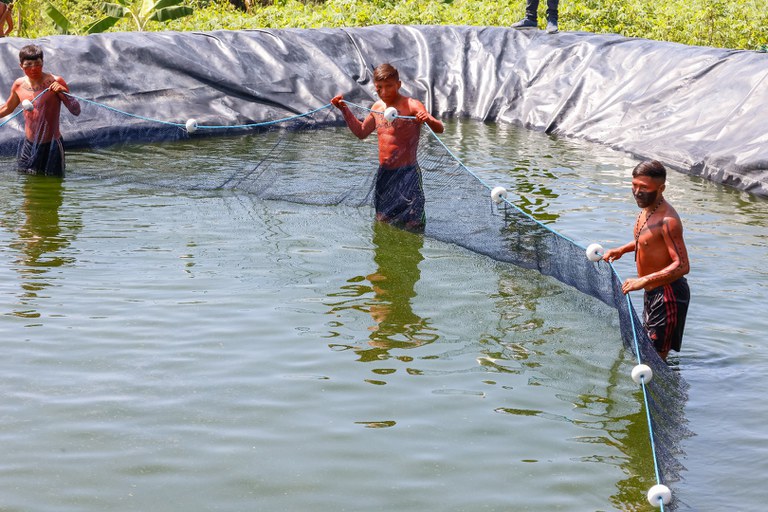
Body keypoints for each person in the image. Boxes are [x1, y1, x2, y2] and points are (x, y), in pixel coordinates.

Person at [331, 63, 444, 233]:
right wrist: (344, 109)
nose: (384, 92)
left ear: (398, 85)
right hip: (385, 173)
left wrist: (427, 118)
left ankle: (411, 256)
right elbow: (361, 132)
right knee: (383, 219)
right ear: (374, 87)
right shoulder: (377, 107)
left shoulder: (412, 105)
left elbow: (439, 129)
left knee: (413, 223)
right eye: (379, 87)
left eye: (389, 86)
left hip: (408, 174)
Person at [602, 160, 691, 361]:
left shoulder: (669, 221)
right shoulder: (646, 209)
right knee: (648, 348)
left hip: (668, 294)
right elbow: (646, 241)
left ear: (661, 189)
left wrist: (643, 280)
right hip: (652, 290)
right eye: (634, 185)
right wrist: (622, 249)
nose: (637, 192)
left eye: (644, 188)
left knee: (657, 355)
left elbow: (683, 265)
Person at [0, 44, 81, 176]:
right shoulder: (19, 85)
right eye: (28, 64)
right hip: (29, 145)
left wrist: (63, 92)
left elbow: (76, 110)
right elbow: (7, 108)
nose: (33, 68)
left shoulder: (55, 81)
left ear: (43, 63)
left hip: (52, 145)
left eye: (37, 64)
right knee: (27, 181)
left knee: (54, 183)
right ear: (21, 66)